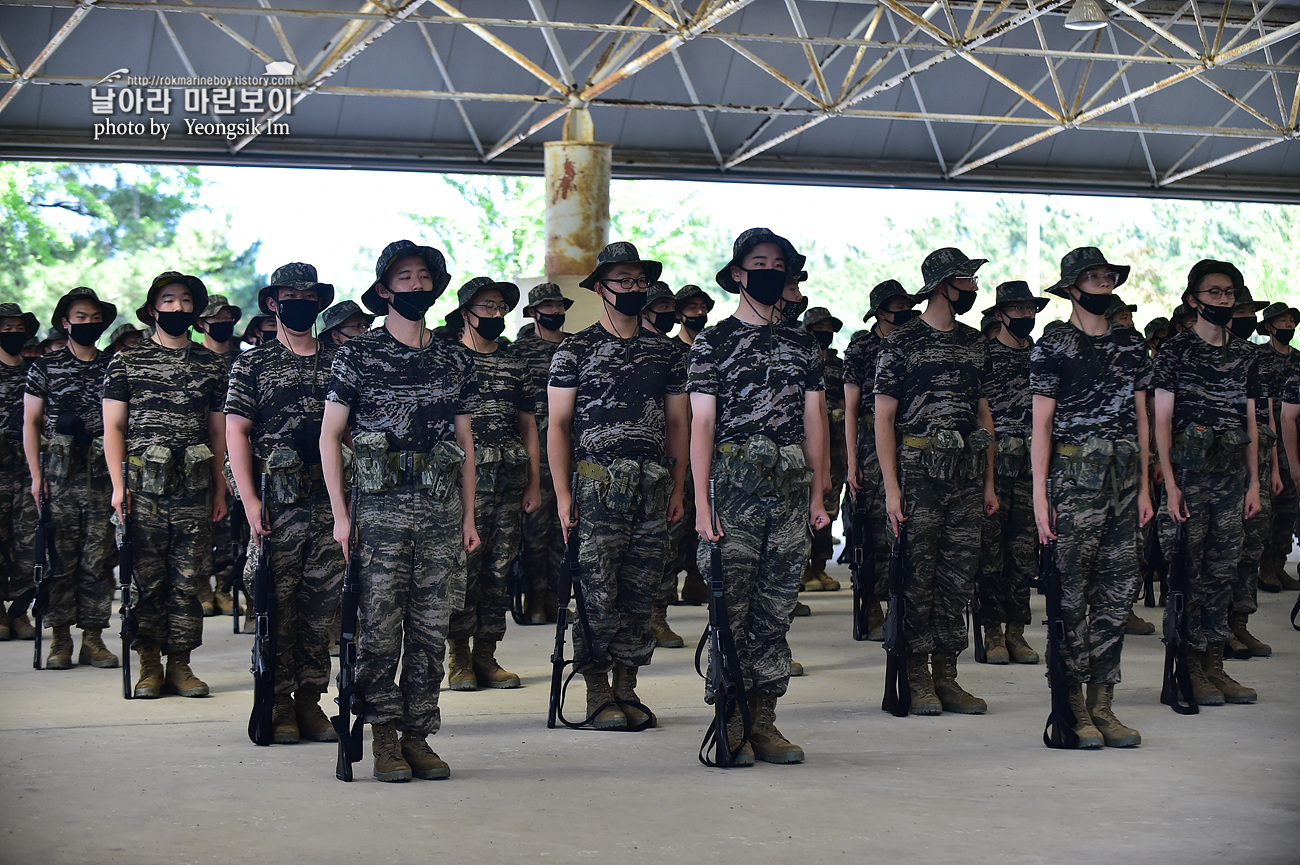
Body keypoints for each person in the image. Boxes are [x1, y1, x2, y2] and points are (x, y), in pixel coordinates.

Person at [321, 240, 479, 782]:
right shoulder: (357, 354)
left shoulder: (454, 356)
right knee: (380, 634)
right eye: (404, 277)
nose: (415, 285)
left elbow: (465, 441)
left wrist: (469, 517)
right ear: (384, 289)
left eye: (423, 276)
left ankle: (418, 737)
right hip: (380, 517)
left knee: (432, 632)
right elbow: (330, 436)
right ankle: (384, 737)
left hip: (439, 511)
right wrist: (342, 517)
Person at [690, 227, 829, 763]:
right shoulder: (714, 341)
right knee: (732, 612)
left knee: (775, 611)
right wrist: (703, 504)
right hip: (733, 492)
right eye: (760, 263)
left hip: (790, 493)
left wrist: (820, 495)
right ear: (739, 274)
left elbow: (815, 420)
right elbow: (703, 425)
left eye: (779, 264)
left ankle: (765, 719)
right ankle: (729, 718)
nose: (770, 271)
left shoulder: (803, 343)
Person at [549, 241, 689, 731]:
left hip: (651, 490)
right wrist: (564, 498)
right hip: (595, 491)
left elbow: (678, 424)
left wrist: (678, 488)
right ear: (600, 288)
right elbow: (558, 427)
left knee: (641, 591)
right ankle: (596, 691)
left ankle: (627, 687)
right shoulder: (575, 349)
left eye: (638, 281)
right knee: (595, 594)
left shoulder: (667, 352)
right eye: (623, 281)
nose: (633, 289)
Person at [1032, 247, 1154, 747]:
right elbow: (1040, 423)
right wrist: (1041, 499)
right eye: (1093, 277)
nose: (1103, 284)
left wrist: (1147, 485)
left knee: (1116, 595)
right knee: (1071, 599)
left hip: (1124, 482)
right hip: (1074, 482)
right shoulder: (1054, 344)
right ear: (1072, 286)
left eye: (1108, 277)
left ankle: (1104, 705)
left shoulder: (1131, 345)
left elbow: (1143, 417)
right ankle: (1073, 707)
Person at [876, 248, 998, 717]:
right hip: (918, 472)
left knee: (958, 576)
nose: (972, 288)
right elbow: (884, 418)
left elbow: (983, 413)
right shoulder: (900, 342)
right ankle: (916, 675)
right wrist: (891, 488)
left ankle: (948, 674)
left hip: (966, 474)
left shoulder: (973, 342)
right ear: (943, 284)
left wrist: (987, 483)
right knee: (916, 576)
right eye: (965, 280)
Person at [225, 262, 343, 744]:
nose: (301, 302)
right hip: (278, 504)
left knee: (321, 610)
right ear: (273, 304)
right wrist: (249, 499)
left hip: (328, 501)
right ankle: (276, 702)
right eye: (290, 295)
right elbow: (236, 431)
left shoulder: (341, 359)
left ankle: (310, 702)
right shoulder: (251, 363)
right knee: (278, 605)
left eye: (309, 295)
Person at [103, 272, 229, 698]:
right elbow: (115, 429)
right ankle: (148, 664)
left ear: (195, 309)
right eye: (169, 300)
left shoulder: (212, 364)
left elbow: (218, 433)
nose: (177, 308)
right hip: (143, 490)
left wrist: (219, 486)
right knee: (145, 581)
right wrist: (119, 488)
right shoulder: (125, 362)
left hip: (193, 489)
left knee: (187, 581)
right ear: (153, 308)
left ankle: (181, 665)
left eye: (186, 301)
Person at [1153, 259, 1261, 707]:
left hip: (1232, 481)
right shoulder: (1175, 353)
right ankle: (1190, 667)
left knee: (1222, 574)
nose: (1222, 299)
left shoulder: (1246, 355)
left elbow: (1252, 423)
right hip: (1190, 481)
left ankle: (1216, 665)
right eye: (1213, 292)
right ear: (1193, 299)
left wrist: (1254, 483)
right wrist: (1171, 484)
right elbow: (1161, 420)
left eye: (1228, 293)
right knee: (1187, 577)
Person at [446, 277, 540, 691]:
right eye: (488, 307)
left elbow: (528, 427)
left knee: (498, 573)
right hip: (459, 487)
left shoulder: (514, 361)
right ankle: (459, 657)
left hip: (506, 483)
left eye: (501, 307)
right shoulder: (446, 359)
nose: (496, 315)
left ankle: (486, 654)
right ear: (466, 310)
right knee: (461, 571)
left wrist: (534, 483)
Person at [21, 287, 119, 670]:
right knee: (57, 559)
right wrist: (35, 475)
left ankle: (93, 638)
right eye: (81, 317)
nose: (89, 323)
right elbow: (30, 423)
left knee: (97, 560)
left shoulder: (114, 364)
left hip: (100, 478)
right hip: (58, 479)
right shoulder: (44, 367)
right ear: (65, 322)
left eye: (95, 318)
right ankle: (59, 637)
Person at [975, 281, 1045, 666]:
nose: (1025, 317)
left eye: (1030, 310)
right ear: (999, 314)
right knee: (990, 555)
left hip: (1030, 472)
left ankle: (1017, 632)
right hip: (994, 471)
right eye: (1017, 310)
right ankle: (992, 632)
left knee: (1023, 555)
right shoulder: (983, 356)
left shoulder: (1041, 357)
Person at [844, 280, 918, 641]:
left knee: (906, 527)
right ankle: (871, 603)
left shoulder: (915, 339)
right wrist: (852, 459)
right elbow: (851, 408)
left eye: (906, 303)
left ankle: (901, 607)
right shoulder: (861, 345)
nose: (902, 310)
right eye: (895, 305)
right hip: (871, 443)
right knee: (872, 530)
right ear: (878, 312)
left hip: (910, 441)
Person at [513, 283, 570, 624]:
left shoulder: (576, 345)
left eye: (558, 305)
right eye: (546, 306)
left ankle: (555, 599)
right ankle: (534, 596)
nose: (554, 311)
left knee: (565, 531)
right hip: (534, 453)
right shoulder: (519, 351)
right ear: (533, 312)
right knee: (534, 531)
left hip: (572, 450)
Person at [1224, 287, 1277, 661]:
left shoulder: (1254, 358)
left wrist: (1269, 469)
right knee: (1220, 553)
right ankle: (1216, 632)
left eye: (1247, 310)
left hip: (1255, 463)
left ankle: (1239, 622)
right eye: (1239, 310)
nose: (1245, 316)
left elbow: (1265, 416)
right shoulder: (1195, 353)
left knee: (1251, 547)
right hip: (1219, 468)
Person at [638, 280, 690, 648]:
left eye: (672, 307)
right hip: (617, 469)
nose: (669, 314)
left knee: (664, 548)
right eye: (661, 307)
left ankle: (657, 616)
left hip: (663, 464)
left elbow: (681, 418)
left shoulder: (675, 353)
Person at [196, 294, 243, 618]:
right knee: (199, 526)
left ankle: (225, 588)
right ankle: (201, 589)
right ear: (201, 323)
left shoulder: (242, 359)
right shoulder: (195, 359)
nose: (223, 323)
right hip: (198, 455)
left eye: (228, 318)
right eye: (216, 318)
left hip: (235, 452)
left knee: (231, 530)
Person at [669, 284, 714, 607]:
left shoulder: (715, 348)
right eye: (692, 307)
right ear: (679, 313)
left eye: (703, 307)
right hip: (674, 449)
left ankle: (698, 581)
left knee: (706, 516)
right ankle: (665, 590)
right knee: (674, 523)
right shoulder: (670, 351)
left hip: (707, 447)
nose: (698, 313)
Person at [0, 304, 41, 641]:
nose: (12, 332)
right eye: (5, 327)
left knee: (29, 545)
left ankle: (19, 611)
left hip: (27, 469)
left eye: (17, 327)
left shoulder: (34, 371)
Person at [1255, 301, 1300, 593]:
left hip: (1293, 439)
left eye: (1291, 321)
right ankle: (1264, 566)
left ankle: (1279, 562)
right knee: (1269, 502)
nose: (1288, 325)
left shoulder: (1299, 359)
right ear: (1270, 327)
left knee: (1290, 503)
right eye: (1282, 321)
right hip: (1267, 436)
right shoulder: (1259, 357)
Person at [802, 306, 845, 593]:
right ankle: (802, 568)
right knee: (805, 505)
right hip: (808, 442)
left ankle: (820, 566)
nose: (825, 332)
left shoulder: (839, 365)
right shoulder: (802, 361)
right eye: (820, 327)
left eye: (830, 327)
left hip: (837, 444)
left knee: (830, 507)